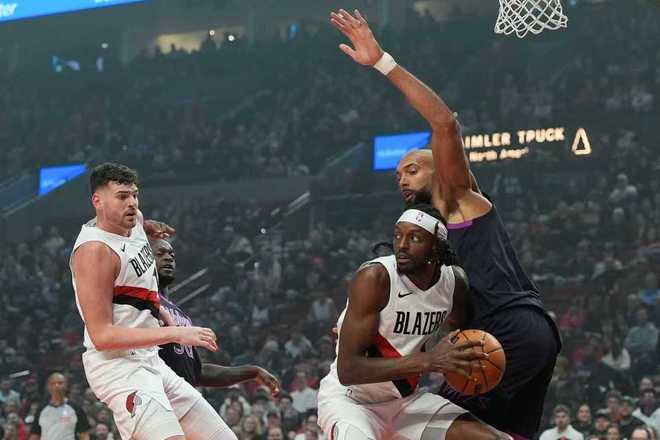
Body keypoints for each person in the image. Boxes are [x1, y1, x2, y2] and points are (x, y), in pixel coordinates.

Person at [330, 9, 560, 439]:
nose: (402, 179)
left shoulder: (455, 197)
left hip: (503, 328)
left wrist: (382, 62)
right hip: (530, 331)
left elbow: (444, 122)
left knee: (425, 429)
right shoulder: (434, 227)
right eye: (398, 174)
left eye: (413, 169)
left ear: (441, 169)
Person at [317, 203, 511, 440]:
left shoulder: (454, 284)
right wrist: (429, 360)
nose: (402, 245)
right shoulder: (376, 277)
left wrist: (466, 364)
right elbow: (348, 371)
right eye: (398, 235)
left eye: (415, 238)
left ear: (436, 247)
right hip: (351, 401)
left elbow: (460, 336)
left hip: (405, 403)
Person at [69, 162, 232, 440]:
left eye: (134, 195)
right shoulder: (95, 252)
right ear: (97, 201)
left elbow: (141, 280)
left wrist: (147, 226)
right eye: (122, 197)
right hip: (117, 367)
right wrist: (176, 332)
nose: (132, 203)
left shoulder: (134, 222)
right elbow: (102, 336)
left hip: (150, 359)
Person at [151, 238, 281, 392]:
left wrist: (253, 371)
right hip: (154, 392)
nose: (168, 258)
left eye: (172, 255)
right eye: (160, 254)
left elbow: (198, 372)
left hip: (181, 396)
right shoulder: (142, 301)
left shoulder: (180, 314)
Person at [28, 373, 89, 440]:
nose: (57, 386)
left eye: (60, 383)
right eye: (53, 383)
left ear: (66, 386)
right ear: (48, 387)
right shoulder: (41, 410)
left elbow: (84, 435)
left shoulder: (76, 409)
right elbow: (35, 435)